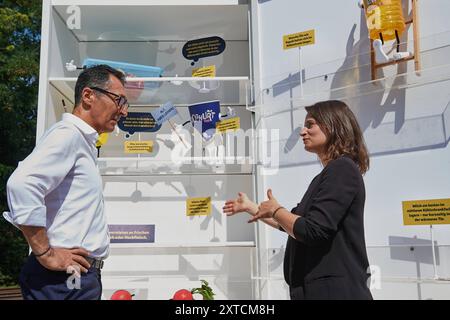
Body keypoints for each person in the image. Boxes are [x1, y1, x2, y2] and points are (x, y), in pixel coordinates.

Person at [223, 100, 373, 300]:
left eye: (310, 125)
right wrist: (253, 207)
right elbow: (293, 224)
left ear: (334, 126)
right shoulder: (328, 174)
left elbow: (312, 230)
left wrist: (276, 210)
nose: (303, 132)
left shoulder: (342, 169)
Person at [3, 65, 128, 300]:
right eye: (118, 100)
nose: (123, 112)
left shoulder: (82, 140)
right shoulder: (68, 134)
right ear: (88, 96)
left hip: (73, 277)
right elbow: (21, 184)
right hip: (63, 279)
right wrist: (46, 253)